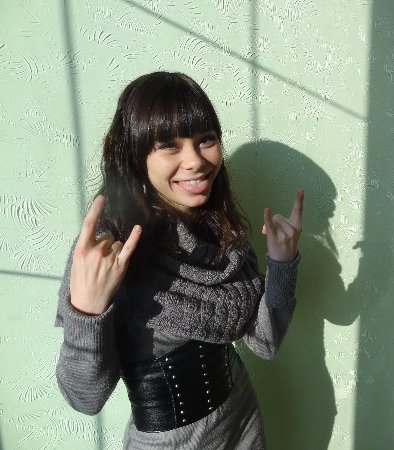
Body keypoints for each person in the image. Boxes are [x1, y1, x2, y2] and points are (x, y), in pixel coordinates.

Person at [54, 71, 303, 449]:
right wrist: (87, 310)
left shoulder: (221, 230)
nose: (195, 161)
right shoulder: (109, 247)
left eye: (206, 139)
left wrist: (282, 263)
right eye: (169, 145)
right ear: (135, 155)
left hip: (243, 421)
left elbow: (264, 343)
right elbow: (84, 397)